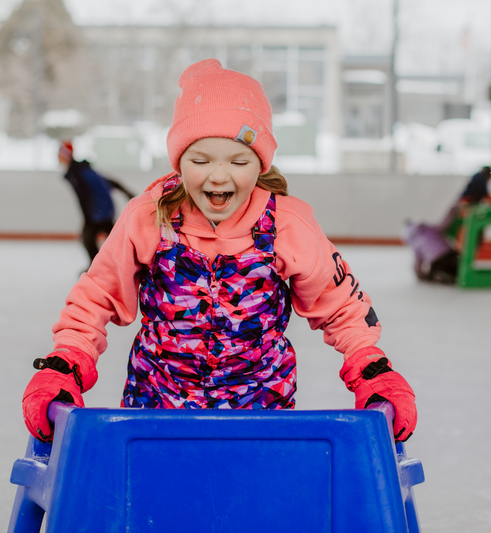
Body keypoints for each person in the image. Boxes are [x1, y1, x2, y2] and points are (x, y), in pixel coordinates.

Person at [24, 59, 417, 444]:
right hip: (157, 416)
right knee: (161, 508)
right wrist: (66, 363)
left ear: (260, 163)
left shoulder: (288, 224)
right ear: (179, 161)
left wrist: (371, 368)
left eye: (239, 160)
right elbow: (97, 295)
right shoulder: (149, 217)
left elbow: (341, 306)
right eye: (200, 160)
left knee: (248, 507)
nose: (218, 176)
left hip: (260, 418)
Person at [58, 141, 134, 265]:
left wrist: (88, 218)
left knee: (88, 238)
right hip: (104, 209)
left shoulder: (77, 172)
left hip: (99, 211)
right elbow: (109, 182)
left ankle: (98, 267)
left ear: (65, 155)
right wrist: (127, 193)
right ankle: (106, 266)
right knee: (105, 238)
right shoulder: (82, 169)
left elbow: (85, 197)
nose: (58, 157)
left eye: (60, 154)